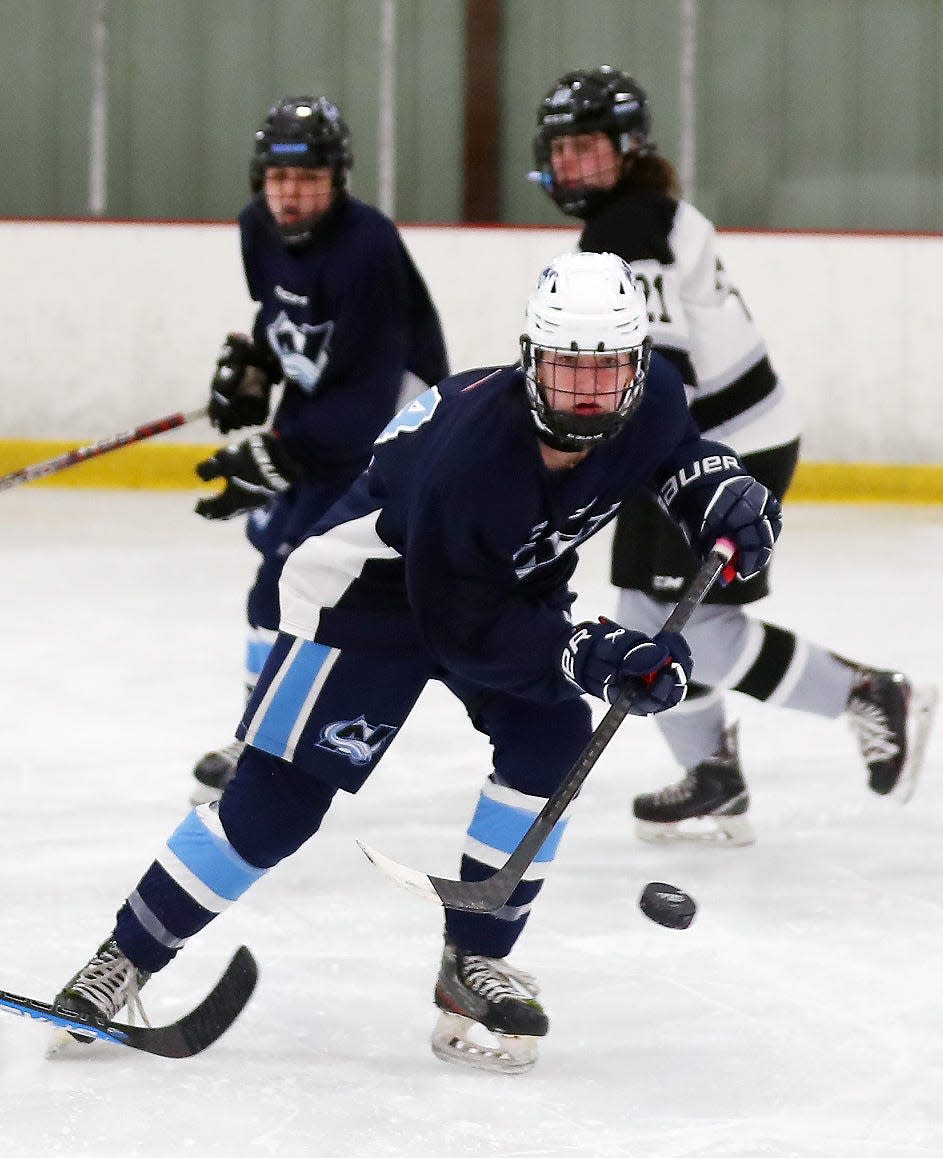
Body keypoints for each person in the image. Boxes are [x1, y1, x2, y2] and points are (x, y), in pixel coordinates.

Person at [51, 252, 781, 1073]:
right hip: (368, 597)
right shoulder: (472, 460)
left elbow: (676, 456)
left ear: (638, 368)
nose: (585, 392)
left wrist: (718, 492)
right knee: (275, 805)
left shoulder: (651, 406)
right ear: (529, 362)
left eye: (606, 372)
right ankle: (123, 958)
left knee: (550, 740)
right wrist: (589, 651)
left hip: (497, 586)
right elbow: (461, 626)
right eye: (566, 369)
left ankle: (474, 961)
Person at [531, 67, 937, 844]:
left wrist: (609, 463)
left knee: (692, 631)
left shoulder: (626, 228)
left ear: (628, 146)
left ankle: (867, 695)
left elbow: (663, 374)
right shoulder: (643, 211)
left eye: (590, 146)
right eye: (563, 148)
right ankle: (714, 776)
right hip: (723, 435)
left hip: (715, 448)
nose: (574, 164)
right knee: (647, 618)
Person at [189, 94, 449, 804]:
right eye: (277, 178)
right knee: (274, 580)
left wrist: (281, 447)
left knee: (309, 585)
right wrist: (258, 369)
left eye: (307, 179)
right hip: (321, 426)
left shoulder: (368, 246)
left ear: (338, 179)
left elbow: (370, 391)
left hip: (390, 443)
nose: (291, 194)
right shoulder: (255, 229)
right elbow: (282, 318)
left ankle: (272, 744)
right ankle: (259, 737)